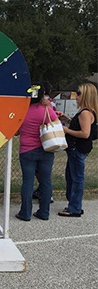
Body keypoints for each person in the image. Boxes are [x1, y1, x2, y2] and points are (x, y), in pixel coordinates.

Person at [15, 83, 58, 221]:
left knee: (27, 182)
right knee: (46, 181)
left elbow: (16, 132)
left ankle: (25, 212)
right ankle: (44, 212)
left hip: (27, 150)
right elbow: (55, 123)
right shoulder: (46, 110)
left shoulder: (22, 111)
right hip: (46, 148)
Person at [57, 83, 98, 217]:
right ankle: (74, 204)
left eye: (79, 93)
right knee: (71, 176)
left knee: (76, 178)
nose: (76, 96)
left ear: (86, 95)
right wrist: (67, 119)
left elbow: (85, 133)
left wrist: (66, 130)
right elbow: (81, 126)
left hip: (77, 148)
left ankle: (74, 207)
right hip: (76, 148)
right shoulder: (86, 111)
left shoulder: (85, 113)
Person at [33, 80, 56, 200]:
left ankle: (44, 191)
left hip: (35, 142)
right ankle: (45, 193)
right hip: (47, 141)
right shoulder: (50, 103)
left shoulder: (43, 104)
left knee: (38, 172)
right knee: (45, 173)